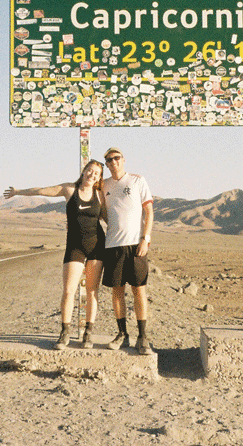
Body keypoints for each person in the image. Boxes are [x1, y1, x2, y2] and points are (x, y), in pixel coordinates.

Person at [4, 160, 106, 349]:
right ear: (83, 172)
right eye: (89, 171)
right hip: (75, 247)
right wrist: (18, 192)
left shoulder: (100, 195)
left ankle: (88, 333)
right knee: (68, 291)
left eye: (96, 174)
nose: (92, 175)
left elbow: (111, 217)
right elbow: (41, 190)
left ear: (99, 178)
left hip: (96, 247)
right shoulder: (69, 190)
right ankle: (65, 332)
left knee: (92, 291)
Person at [100, 147, 154, 355]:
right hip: (113, 245)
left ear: (123, 160)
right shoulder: (103, 185)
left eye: (116, 158)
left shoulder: (137, 180)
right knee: (117, 291)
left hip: (135, 244)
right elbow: (103, 211)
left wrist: (145, 239)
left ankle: (143, 336)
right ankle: (122, 334)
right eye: (108, 160)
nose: (113, 162)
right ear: (106, 164)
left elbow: (148, 211)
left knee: (138, 289)